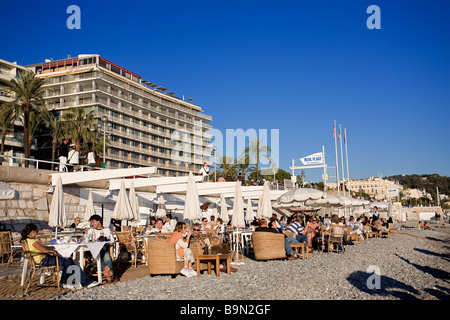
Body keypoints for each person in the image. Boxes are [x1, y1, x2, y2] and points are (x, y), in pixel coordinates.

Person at [21, 223, 99, 290]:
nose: (37, 233)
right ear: (32, 232)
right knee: (68, 261)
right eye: (36, 231)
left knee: (68, 260)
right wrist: (53, 251)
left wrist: (48, 251)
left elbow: (41, 250)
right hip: (43, 260)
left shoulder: (27, 241)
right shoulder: (33, 242)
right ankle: (85, 282)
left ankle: (66, 282)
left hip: (42, 259)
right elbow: (44, 250)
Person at [87, 215, 114, 282]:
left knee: (107, 256)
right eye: (91, 223)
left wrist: (106, 240)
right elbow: (87, 240)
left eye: (93, 222)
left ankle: (107, 272)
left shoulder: (106, 230)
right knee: (97, 256)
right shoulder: (91, 231)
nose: (92, 224)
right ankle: (109, 273)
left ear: (99, 221)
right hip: (93, 250)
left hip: (103, 249)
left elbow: (112, 240)